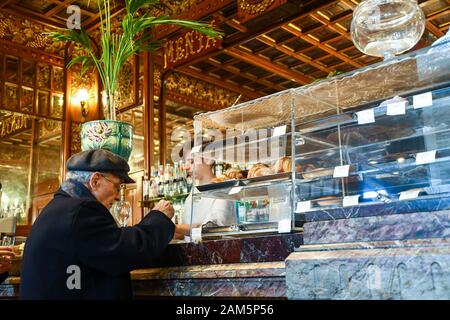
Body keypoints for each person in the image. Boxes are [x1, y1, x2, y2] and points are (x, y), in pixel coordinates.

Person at [20, 149, 175, 300]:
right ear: (95, 181)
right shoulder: (81, 210)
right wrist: (159, 218)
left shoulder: (60, 207)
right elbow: (124, 251)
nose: (117, 197)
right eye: (117, 186)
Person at [174, 148, 235, 240]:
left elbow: (213, 227)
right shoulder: (192, 194)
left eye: (191, 161)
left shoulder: (222, 189)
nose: (185, 167)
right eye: (184, 163)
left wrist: (174, 227)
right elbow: (188, 234)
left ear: (209, 160)